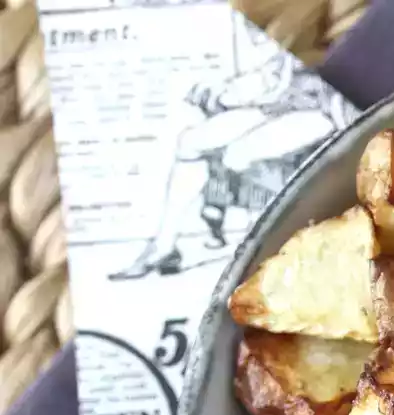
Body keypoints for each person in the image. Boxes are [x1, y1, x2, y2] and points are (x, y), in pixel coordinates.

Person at [111, 26, 344, 280]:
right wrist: (220, 93)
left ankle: (262, 256)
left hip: (324, 109)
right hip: (276, 101)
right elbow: (270, 76)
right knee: (189, 140)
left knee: (239, 154)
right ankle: (162, 247)